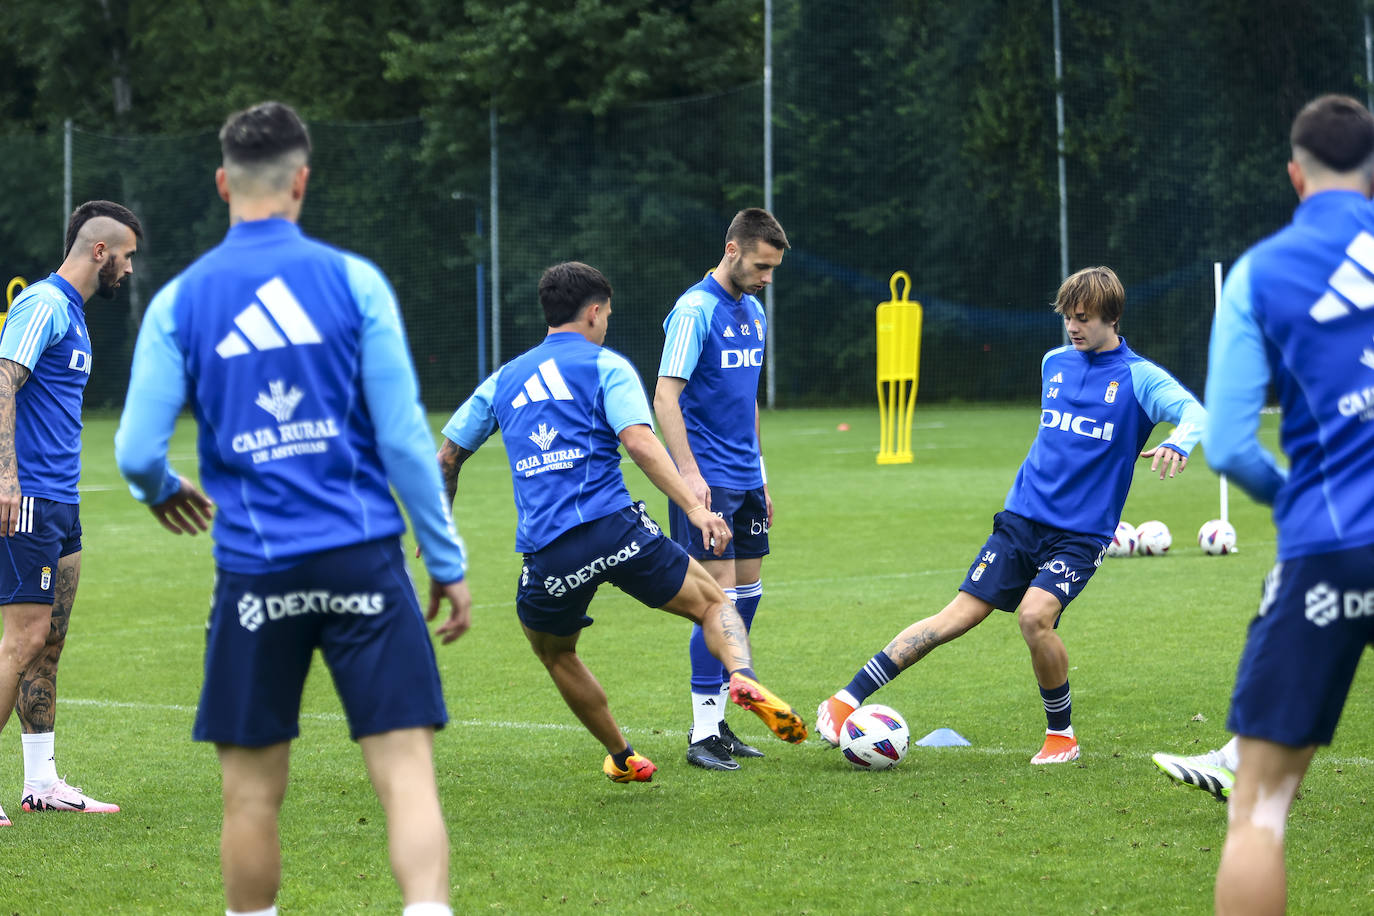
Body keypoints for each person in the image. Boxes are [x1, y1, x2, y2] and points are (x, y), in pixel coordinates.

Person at [113, 101, 471, 916]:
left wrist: (162, 491)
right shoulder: (355, 281)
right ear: (302, 180)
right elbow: (408, 443)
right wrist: (445, 562)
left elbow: (136, 451)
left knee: (249, 798)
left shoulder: (179, 302)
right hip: (365, 565)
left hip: (255, 570)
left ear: (221, 184)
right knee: (405, 773)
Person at [816, 266, 1206, 764]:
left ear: (1111, 316)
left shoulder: (1140, 378)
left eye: (1082, 317)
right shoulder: (1054, 363)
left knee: (1034, 617)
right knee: (955, 617)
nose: (1073, 326)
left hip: (1080, 535)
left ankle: (1062, 737)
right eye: (1068, 316)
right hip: (1020, 521)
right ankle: (846, 698)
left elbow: (1196, 413)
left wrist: (1178, 439)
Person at [438, 260, 807, 784]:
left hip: (548, 553)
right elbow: (638, 440)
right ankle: (742, 678)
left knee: (556, 652)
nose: (606, 323)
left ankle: (623, 754)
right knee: (714, 604)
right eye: (606, 314)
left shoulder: (502, 380)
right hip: (617, 529)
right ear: (593, 312)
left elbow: (448, 458)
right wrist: (697, 508)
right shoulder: (606, 365)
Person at [1206, 94, 1374, 915]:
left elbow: (1231, 445)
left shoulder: (1261, 271)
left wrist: (1291, 499)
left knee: (1261, 811)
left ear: (1294, 175)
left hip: (1331, 546)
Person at [0, 200, 141, 828]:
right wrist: (5, 477)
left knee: (49, 641)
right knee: (21, 639)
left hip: (62, 502)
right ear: (100, 251)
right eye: (128, 256)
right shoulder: (45, 305)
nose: (131, 270)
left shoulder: (77, 318)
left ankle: (41, 783)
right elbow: (3, 382)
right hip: (26, 498)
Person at [653, 207, 790, 772]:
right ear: (732, 249)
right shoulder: (693, 310)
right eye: (761, 265)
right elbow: (665, 396)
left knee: (746, 597)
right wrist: (688, 476)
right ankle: (703, 731)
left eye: (773, 268)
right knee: (718, 601)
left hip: (745, 477)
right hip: (706, 480)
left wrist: (761, 473)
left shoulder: (753, 311)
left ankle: (721, 719)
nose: (767, 277)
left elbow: (746, 399)